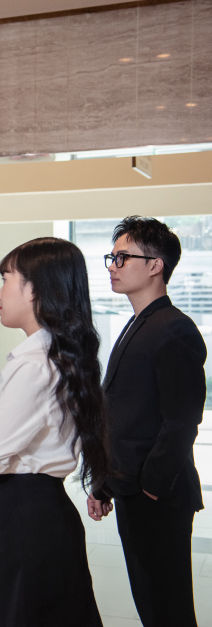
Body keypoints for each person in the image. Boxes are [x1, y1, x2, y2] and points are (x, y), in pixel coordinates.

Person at [0, 237, 106, 627]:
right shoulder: (49, 355)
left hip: (24, 514)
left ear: (37, 289)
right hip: (33, 510)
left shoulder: (35, 365)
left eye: (7, 278)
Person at [87, 216, 206, 627]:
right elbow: (119, 412)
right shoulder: (137, 323)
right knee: (149, 601)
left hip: (159, 495)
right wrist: (105, 482)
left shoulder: (175, 330)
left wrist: (150, 487)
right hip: (129, 486)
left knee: (167, 606)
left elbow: (181, 422)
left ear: (155, 265)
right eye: (112, 256)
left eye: (123, 257)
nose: (112, 266)